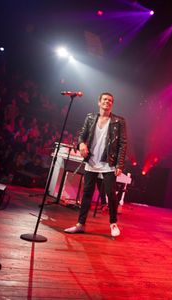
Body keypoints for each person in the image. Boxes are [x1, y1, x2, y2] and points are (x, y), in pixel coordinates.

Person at [64, 92, 127, 237]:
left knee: (111, 194)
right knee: (87, 193)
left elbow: (123, 144)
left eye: (110, 100)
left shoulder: (119, 121)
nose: (107, 102)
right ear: (99, 102)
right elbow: (82, 135)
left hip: (108, 163)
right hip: (91, 161)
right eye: (105, 99)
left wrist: (120, 164)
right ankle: (81, 224)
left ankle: (113, 224)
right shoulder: (90, 117)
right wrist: (80, 144)